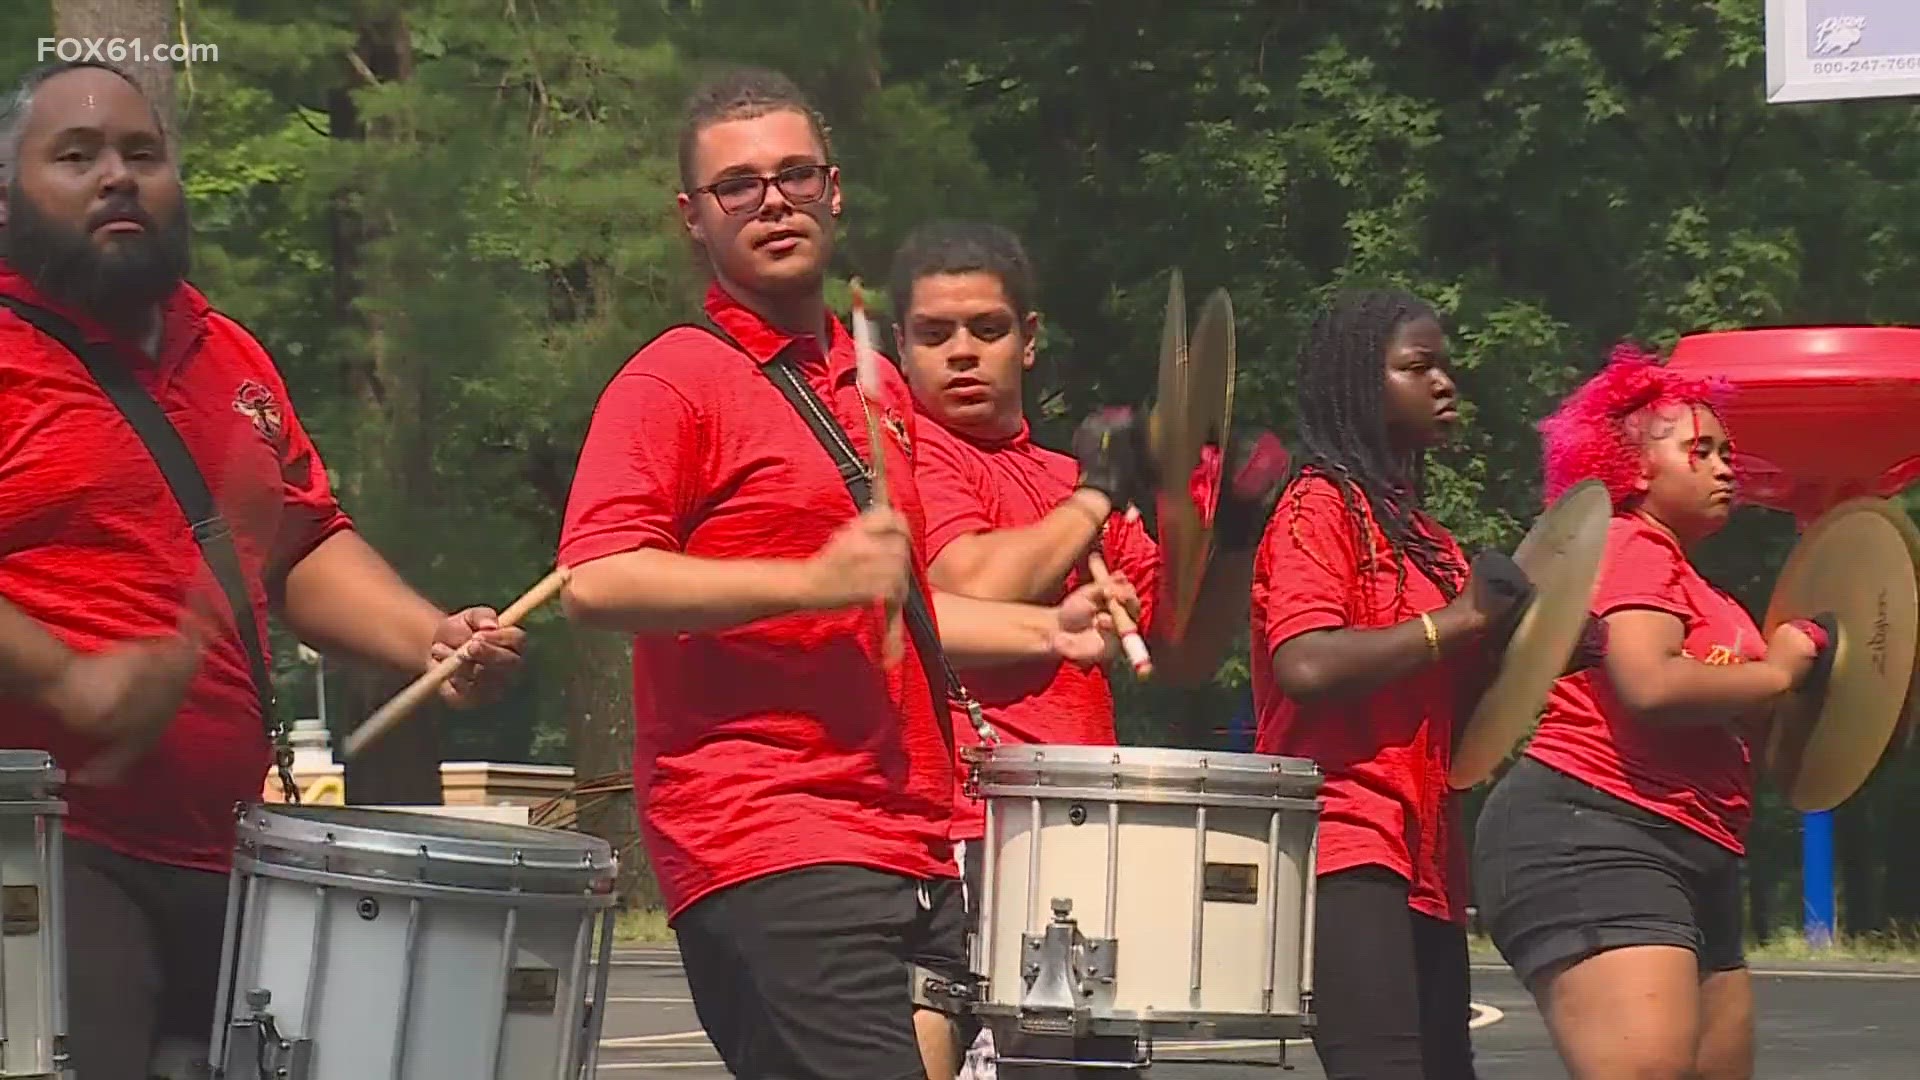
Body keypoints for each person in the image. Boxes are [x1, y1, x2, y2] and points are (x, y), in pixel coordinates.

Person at [557, 68, 1124, 1080]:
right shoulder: (674, 380)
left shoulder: (875, 388)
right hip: (768, 834)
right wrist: (809, 580)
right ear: (692, 217)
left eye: (794, 174)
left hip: (904, 838)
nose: (772, 200)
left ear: (835, 188)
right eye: (738, 186)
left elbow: (892, 606)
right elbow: (597, 578)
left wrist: (1051, 631)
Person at [0, 60, 527, 1079]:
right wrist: (63, 676)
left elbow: (301, 545)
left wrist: (428, 635)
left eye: (142, 155)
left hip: (230, 851)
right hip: (48, 852)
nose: (119, 177)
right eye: (77, 157)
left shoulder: (227, 352)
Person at [886, 219, 1287, 884]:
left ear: (1029, 340)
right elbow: (972, 582)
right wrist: (1099, 492)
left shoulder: (1063, 479)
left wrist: (1238, 532)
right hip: (958, 826)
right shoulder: (906, 456)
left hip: (1081, 811)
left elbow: (1181, 652)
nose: (962, 352)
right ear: (900, 347)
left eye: (988, 329)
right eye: (935, 334)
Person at [1471, 345, 1820, 1080]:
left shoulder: (1711, 596)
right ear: (1632, 469)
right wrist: (1780, 670)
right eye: (1700, 450)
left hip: (1698, 847)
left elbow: (1765, 737)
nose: (1726, 467)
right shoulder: (1633, 545)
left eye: (1728, 451)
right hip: (1595, 829)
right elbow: (1651, 686)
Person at [1249, 288, 1523, 1080]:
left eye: (1447, 367)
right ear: (1358, 385)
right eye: (1417, 367)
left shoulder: (1431, 542)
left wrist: (1535, 646)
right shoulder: (1317, 506)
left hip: (1428, 853)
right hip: (1344, 838)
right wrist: (1465, 624)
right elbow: (1304, 663)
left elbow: (1457, 714)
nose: (1445, 383)